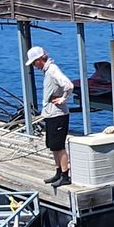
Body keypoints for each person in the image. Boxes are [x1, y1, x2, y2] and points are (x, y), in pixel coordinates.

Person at [27, 45, 75, 188]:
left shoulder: (53, 70)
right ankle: (58, 172)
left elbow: (69, 85)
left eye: (34, 62)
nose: (34, 66)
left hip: (58, 114)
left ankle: (65, 175)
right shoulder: (47, 71)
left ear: (40, 59)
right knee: (53, 145)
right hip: (50, 114)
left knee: (59, 146)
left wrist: (63, 99)